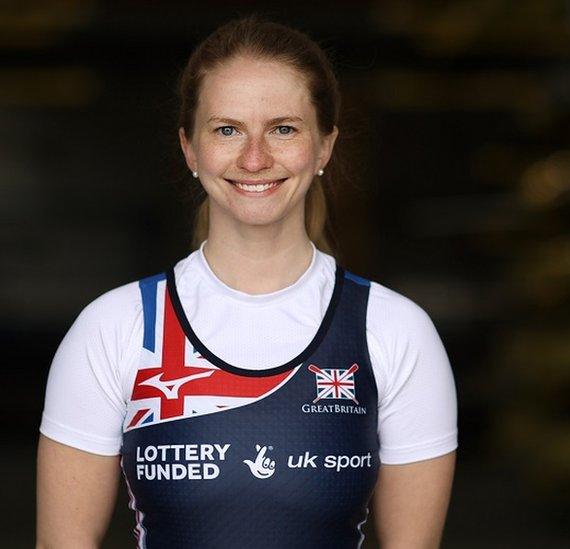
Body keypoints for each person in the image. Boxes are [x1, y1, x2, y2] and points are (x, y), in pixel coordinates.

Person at [36, 15, 457, 549]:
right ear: (190, 149)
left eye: (283, 128)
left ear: (324, 147)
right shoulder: (118, 328)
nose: (255, 158)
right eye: (227, 129)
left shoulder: (394, 332)